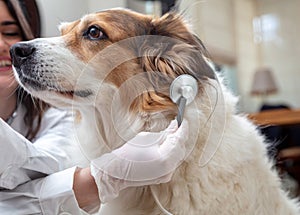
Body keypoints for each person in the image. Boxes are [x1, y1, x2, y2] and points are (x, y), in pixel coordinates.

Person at [0, 0, 189, 214]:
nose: (10, 49)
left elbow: (38, 179)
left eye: (93, 33)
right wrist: (102, 178)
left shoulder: (58, 124)